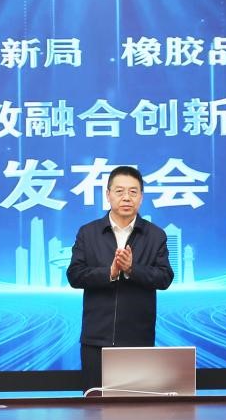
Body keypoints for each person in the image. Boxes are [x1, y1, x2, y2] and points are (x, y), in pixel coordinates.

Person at [66, 166, 174, 392]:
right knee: (94, 405)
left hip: (138, 339)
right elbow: (75, 275)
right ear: (108, 195)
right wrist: (111, 272)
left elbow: (164, 278)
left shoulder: (155, 235)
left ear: (141, 197)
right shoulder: (88, 233)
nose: (126, 197)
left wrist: (132, 269)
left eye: (133, 192)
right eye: (119, 191)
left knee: (136, 406)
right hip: (96, 339)